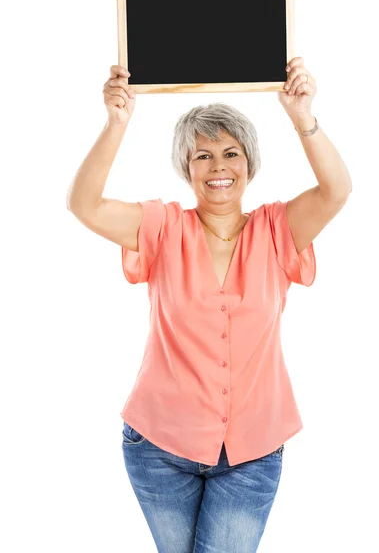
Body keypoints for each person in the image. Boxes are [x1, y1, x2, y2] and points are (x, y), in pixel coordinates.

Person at [67, 58, 352, 553]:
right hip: (159, 447)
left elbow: (337, 191)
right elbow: (84, 204)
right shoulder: (162, 227)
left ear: (249, 163)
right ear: (186, 167)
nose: (218, 166)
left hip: (253, 451)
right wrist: (116, 123)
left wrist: (302, 117)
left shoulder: (276, 229)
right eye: (202, 156)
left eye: (230, 152)